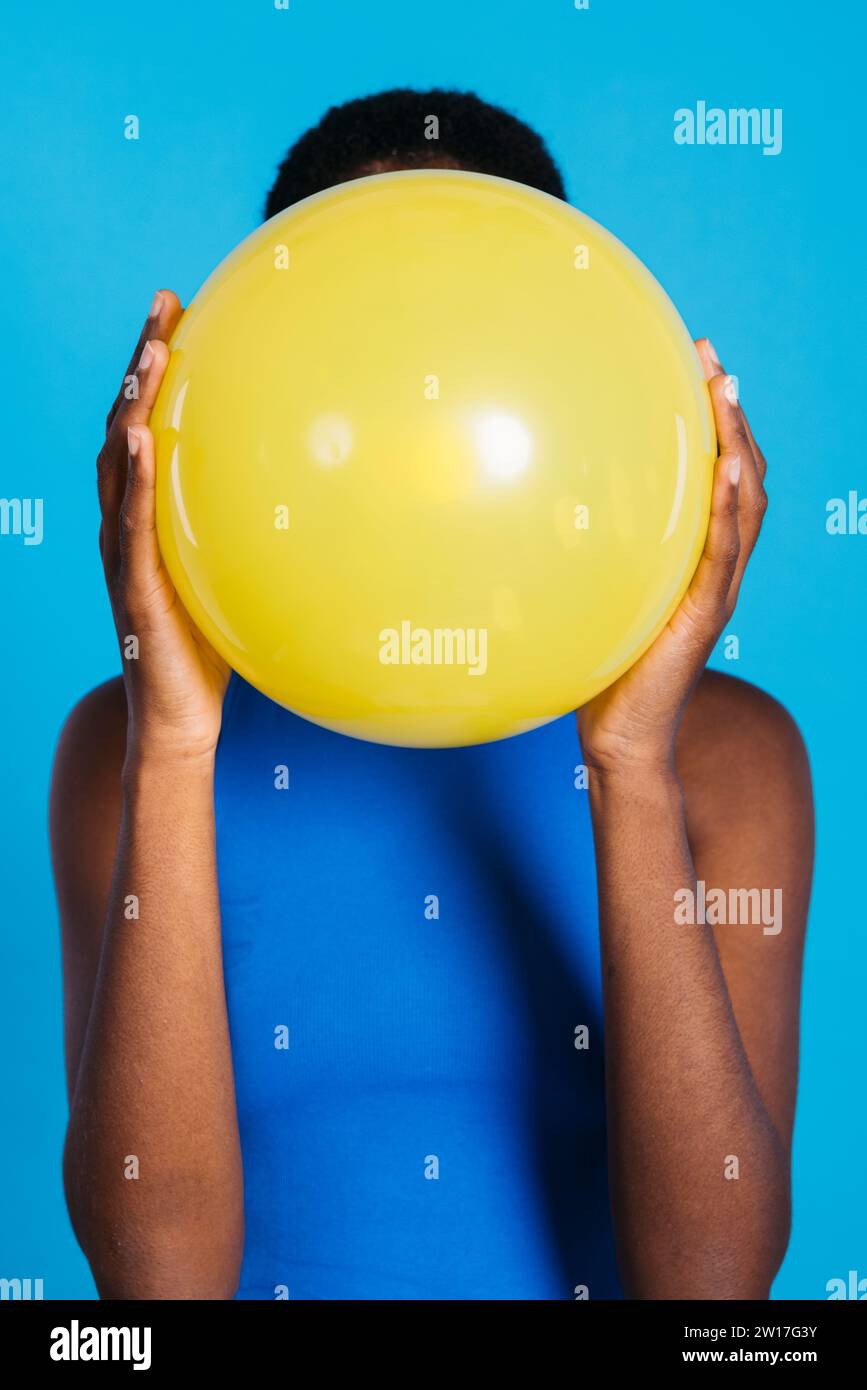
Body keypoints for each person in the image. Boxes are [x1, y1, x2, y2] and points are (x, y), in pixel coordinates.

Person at [51, 88, 814, 1301]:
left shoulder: (727, 751)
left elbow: (714, 1297)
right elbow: (155, 1292)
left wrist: (627, 763)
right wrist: (176, 740)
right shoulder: (126, 745)